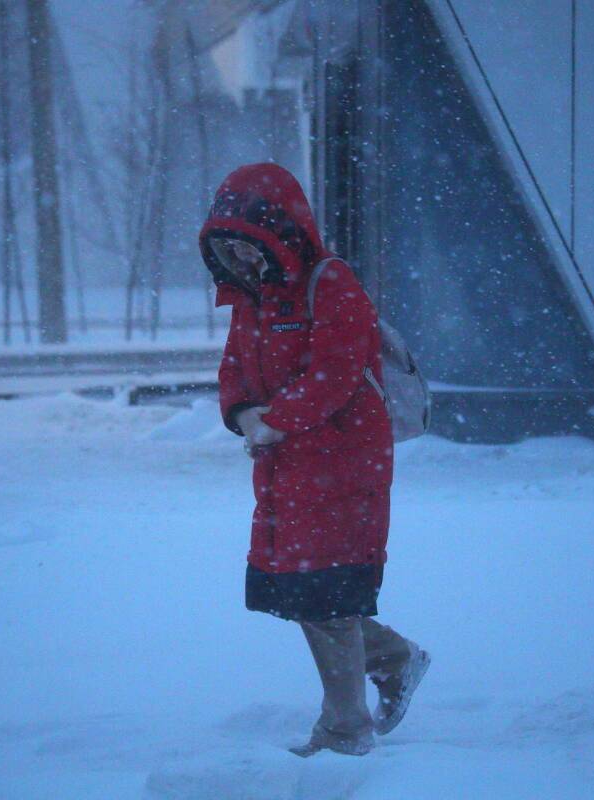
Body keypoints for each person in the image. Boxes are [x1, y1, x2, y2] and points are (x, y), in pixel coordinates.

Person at [199, 162, 430, 757]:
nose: (239, 259)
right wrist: (244, 414)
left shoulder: (331, 282)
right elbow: (233, 367)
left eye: (246, 245)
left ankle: (344, 732)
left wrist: (274, 422)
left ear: (278, 234)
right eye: (227, 248)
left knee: (327, 595)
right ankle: (396, 660)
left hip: (343, 463)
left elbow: (336, 370)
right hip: (286, 465)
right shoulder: (251, 298)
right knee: (305, 589)